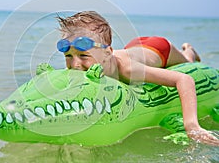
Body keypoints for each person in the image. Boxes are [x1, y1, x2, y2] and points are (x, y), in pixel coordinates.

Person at [56, 11, 219, 146]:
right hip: (134, 47)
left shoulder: (128, 69)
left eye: (83, 55)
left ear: (107, 53)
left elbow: (183, 80)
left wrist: (192, 125)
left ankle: (189, 50)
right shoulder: (78, 67)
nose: (75, 64)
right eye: (68, 56)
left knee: (187, 61)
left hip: (159, 48)